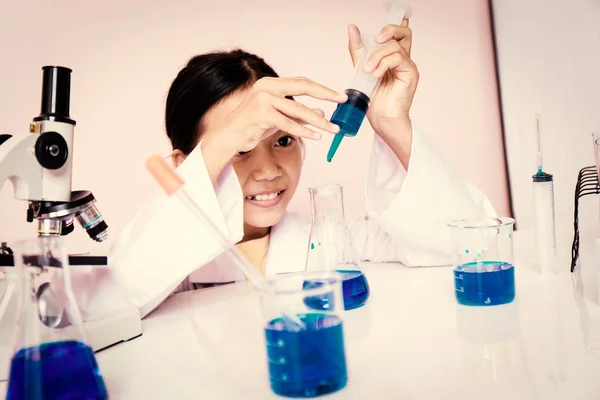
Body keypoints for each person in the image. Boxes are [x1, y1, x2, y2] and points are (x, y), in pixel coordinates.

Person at [87, 20, 496, 320]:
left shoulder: (337, 244)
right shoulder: (170, 265)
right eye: (242, 148)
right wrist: (218, 147)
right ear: (186, 166)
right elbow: (105, 308)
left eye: (283, 141)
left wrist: (391, 121)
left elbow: (473, 245)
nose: (267, 170)